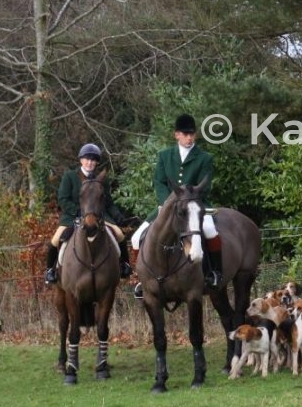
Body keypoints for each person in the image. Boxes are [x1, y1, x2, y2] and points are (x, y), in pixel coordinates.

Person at [131, 114, 221, 298]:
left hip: (195, 207)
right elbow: (159, 182)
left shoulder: (205, 158)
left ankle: (214, 273)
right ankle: (141, 279)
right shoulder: (164, 156)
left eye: (192, 134)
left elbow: (205, 186)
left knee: (210, 229)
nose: (189, 137)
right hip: (167, 207)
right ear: (176, 135)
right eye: (185, 134)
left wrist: (189, 201)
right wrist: (167, 204)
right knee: (135, 237)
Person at [45, 143, 132, 284]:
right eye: (87, 159)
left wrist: (117, 216)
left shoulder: (102, 179)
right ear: (81, 160)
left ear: (96, 162)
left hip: (99, 217)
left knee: (120, 234)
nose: (89, 162)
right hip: (72, 216)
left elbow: (108, 202)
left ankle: (125, 265)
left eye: (93, 160)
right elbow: (62, 199)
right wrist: (78, 211)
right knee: (56, 240)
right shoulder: (70, 176)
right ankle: (50, 270)